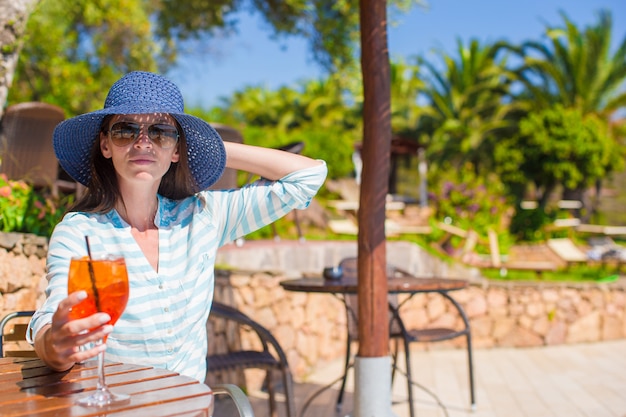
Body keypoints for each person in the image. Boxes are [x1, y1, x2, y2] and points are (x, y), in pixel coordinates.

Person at [27, 71, 327, 382]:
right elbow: (53, 323)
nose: (143, 142)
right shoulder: (80, 232)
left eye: (159, 132)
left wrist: (205, 146)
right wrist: (55, 346)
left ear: (176, 150)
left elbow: (306, 178)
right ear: (105, 145)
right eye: (125, 131)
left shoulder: (203, 217)